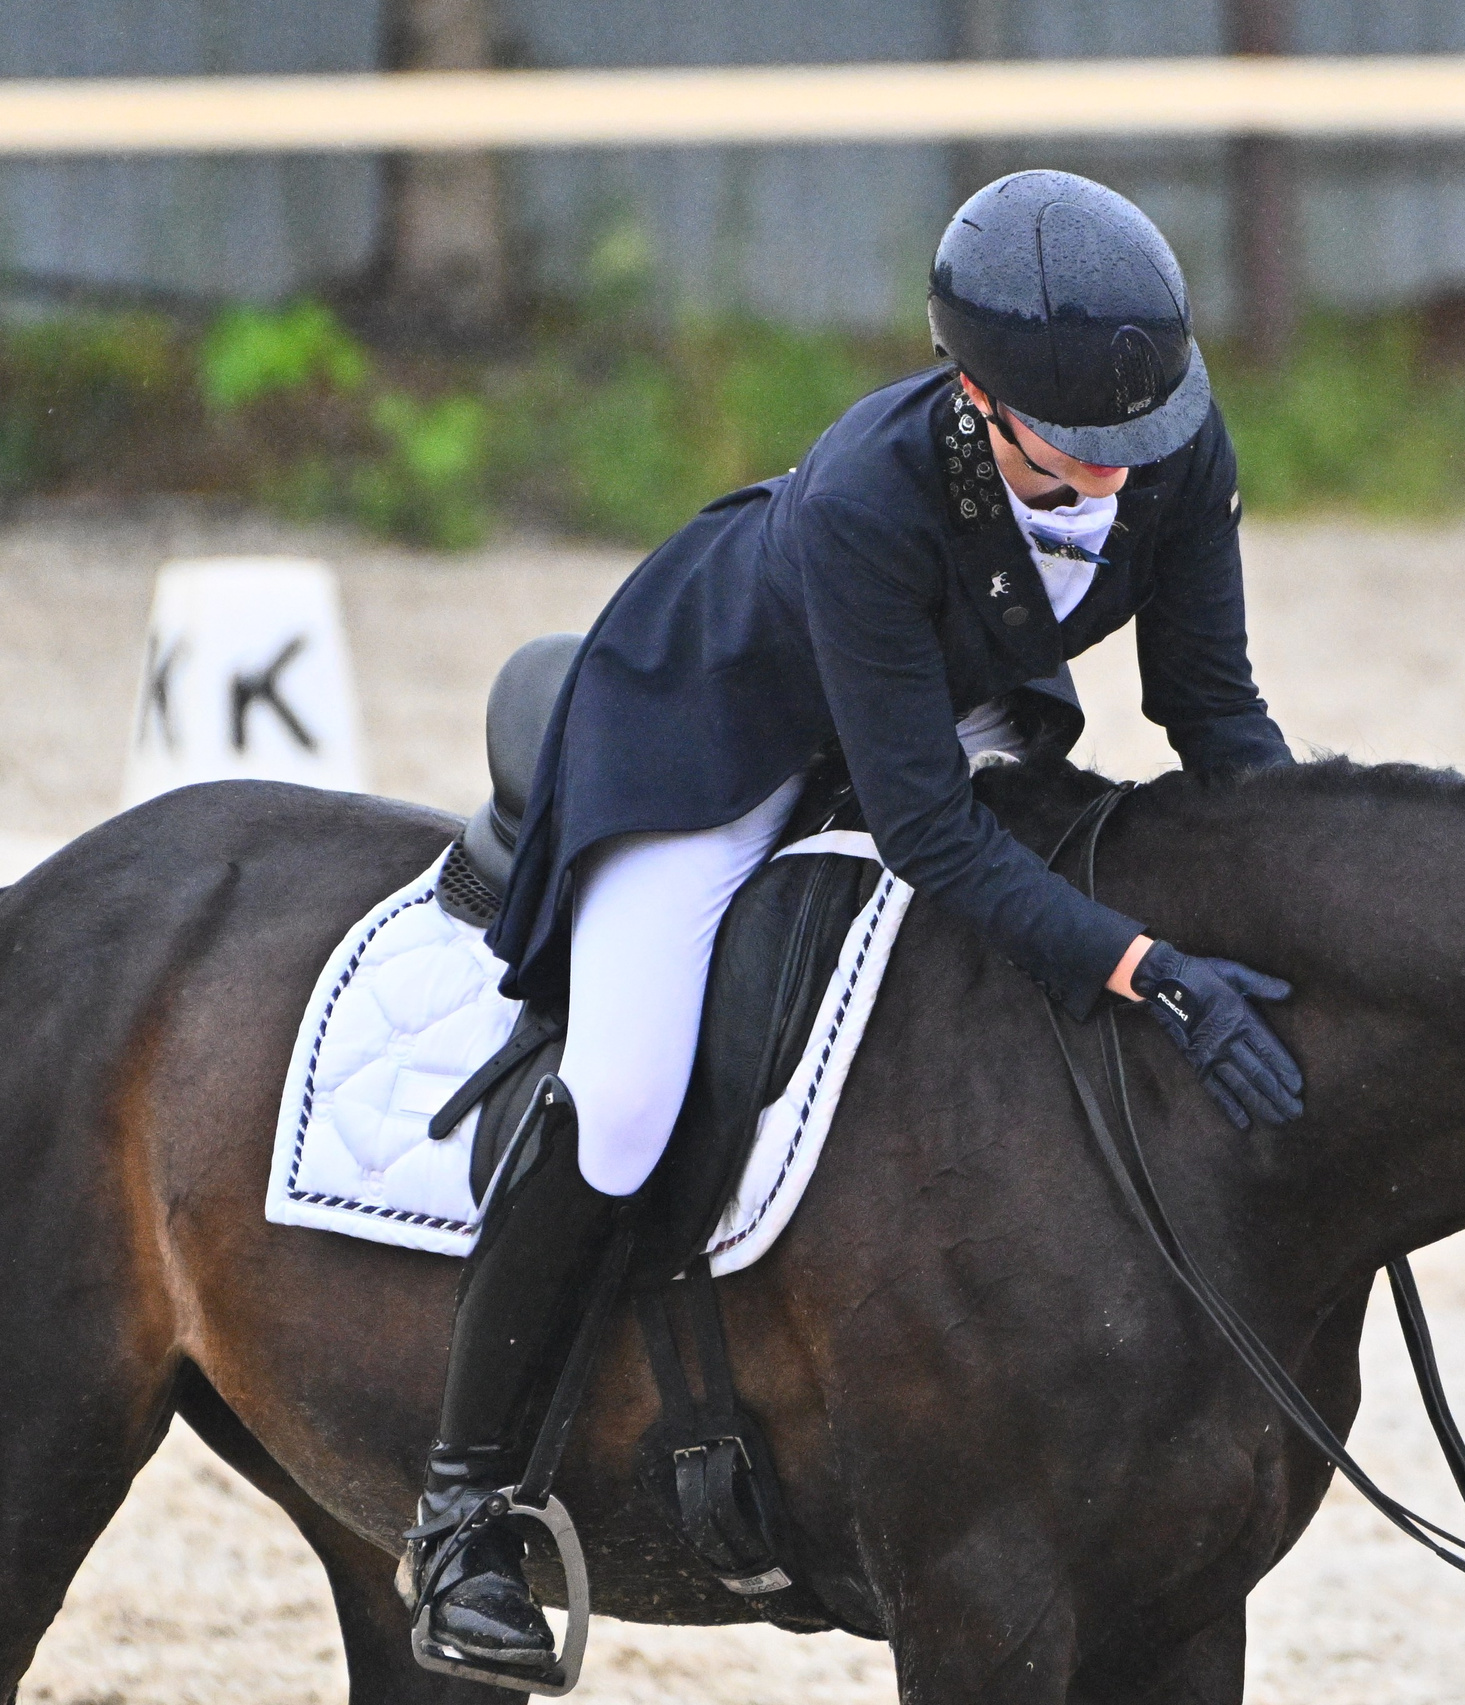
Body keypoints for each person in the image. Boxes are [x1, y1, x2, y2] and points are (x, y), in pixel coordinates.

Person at [400, 170, 1305, 1675]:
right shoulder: (868, 494)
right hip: (715, 736)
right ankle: (465, 1503)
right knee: (624, 1095)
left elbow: (1214, 711)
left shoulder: (1164, 441)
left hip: (944, 714)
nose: (1120, 483)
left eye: (1135, 449)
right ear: (977, 394)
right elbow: (928, 831)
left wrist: (1313, 893)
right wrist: (1142, 968)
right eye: (1079, 457)